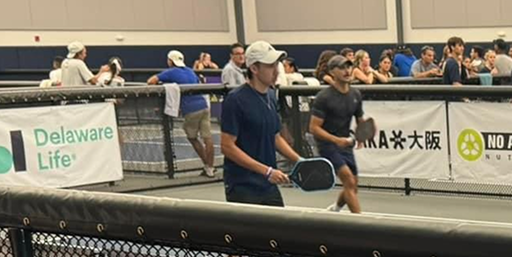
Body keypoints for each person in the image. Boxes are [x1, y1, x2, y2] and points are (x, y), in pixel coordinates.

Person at [219, 39, 301, 208]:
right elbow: (227, 146)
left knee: (279, 232)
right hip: (243, 187)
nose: (276, 71)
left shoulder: (271, 96)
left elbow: (275, 136)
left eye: (276, 64)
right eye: (270, 65)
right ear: (254, 69)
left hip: (268, 186)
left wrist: (298, 160)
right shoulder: (235, 100)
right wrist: (267, 171)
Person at [310, 54, 365, 214]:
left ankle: (336, 208)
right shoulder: (324, 97)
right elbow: (314, 128)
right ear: (332, 72)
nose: (347, 71)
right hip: (327, 145)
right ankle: (360, 224)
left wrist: (361, 135)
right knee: (348, 179)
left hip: (345, 144)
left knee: (353, 183)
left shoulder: (355, 94)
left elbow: (360, 119)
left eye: (349, 66)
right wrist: (336, 140)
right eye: (342, 67)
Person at [149, 50, 217, 178]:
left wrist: (165, 85)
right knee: (207, 138)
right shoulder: (190, 71)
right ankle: (210, 167)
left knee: (192, 137)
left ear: (170, 61)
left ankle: (208, 166)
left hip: (191, 110)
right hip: (204, 106)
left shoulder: (171, 72)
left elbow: (150, 81)